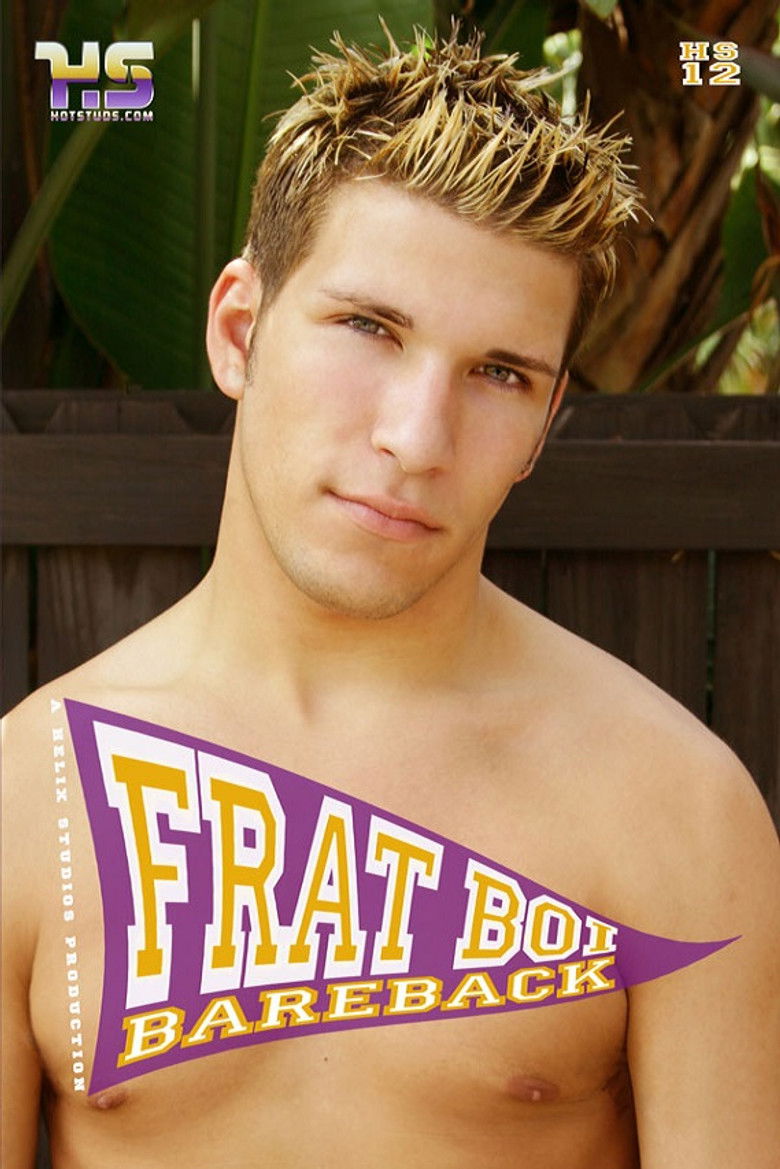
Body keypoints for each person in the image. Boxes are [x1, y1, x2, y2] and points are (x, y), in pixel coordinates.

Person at [2, 26, 778, 1169]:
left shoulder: (677, 809)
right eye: (369, 327)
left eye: (499, 373)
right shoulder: (27, 798)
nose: (417, 438)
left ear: (546, 423)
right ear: (239, 330)